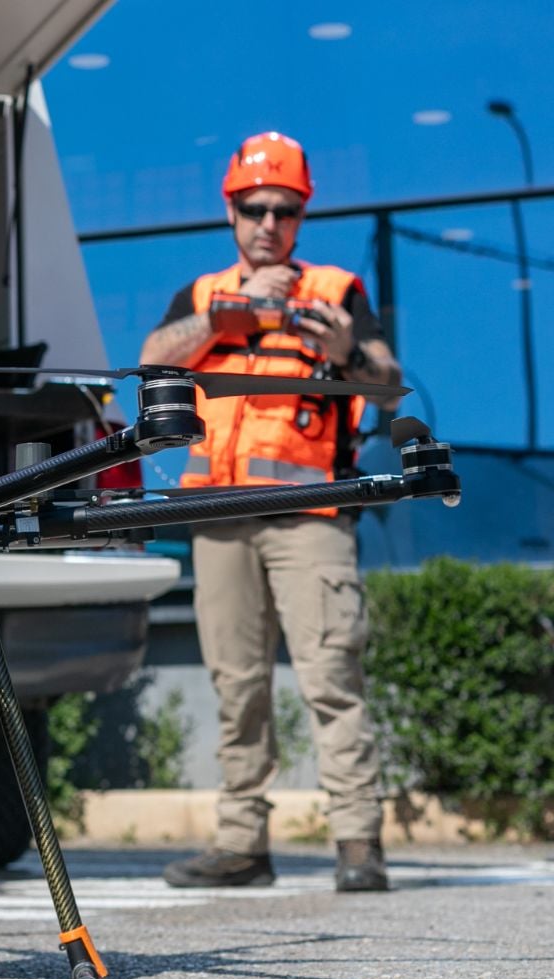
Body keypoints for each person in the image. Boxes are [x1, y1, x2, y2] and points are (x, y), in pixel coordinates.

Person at [139, 132, 402, 893]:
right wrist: (233, 319)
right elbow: (155, 356)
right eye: (254, 208)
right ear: (231, 210)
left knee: (331, 675)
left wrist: (350, 351)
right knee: (236, 684)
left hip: (310, 516)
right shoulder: (202, 297)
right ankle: (241, 844)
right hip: (221, 516)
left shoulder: (336, 289)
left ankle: (358, 842)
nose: (268, 224)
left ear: (301, 215)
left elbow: (386, 384)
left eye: (284, 210)